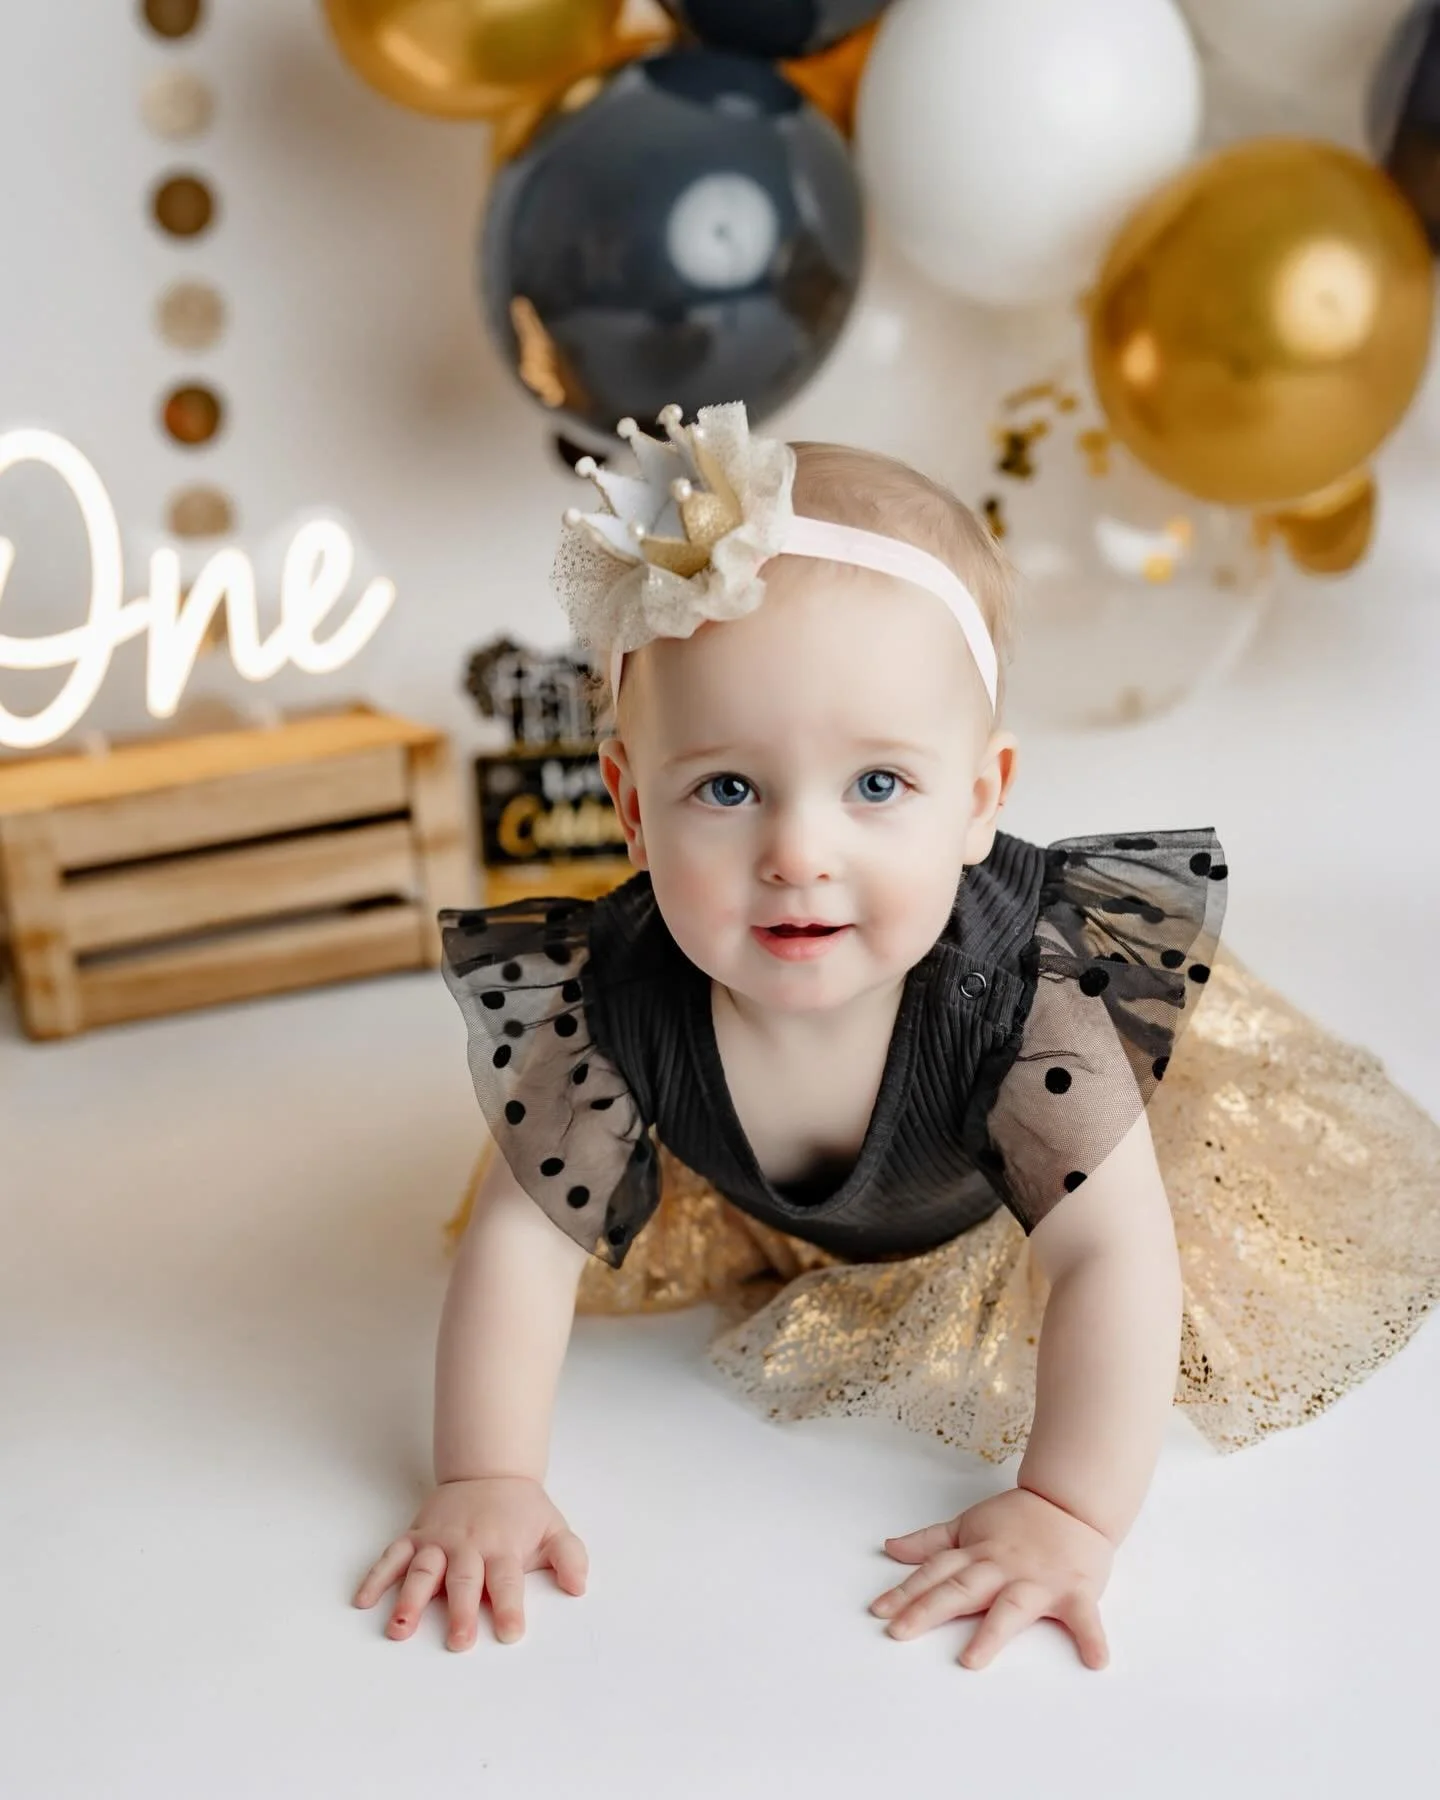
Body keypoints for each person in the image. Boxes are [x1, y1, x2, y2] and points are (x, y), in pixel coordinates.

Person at [354, 403, 1440, 1670]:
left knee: (1146, 1215)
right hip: (808, 1189)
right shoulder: (618, 996)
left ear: (980, 800)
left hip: (990, 1197)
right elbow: (519, 1243)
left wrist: (1067, 1513)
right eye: (726, 788)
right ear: (632, 811)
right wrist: (486, 1476)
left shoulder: (1020, 1004)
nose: (799, 856)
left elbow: (1110, 1262)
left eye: (878, 785)